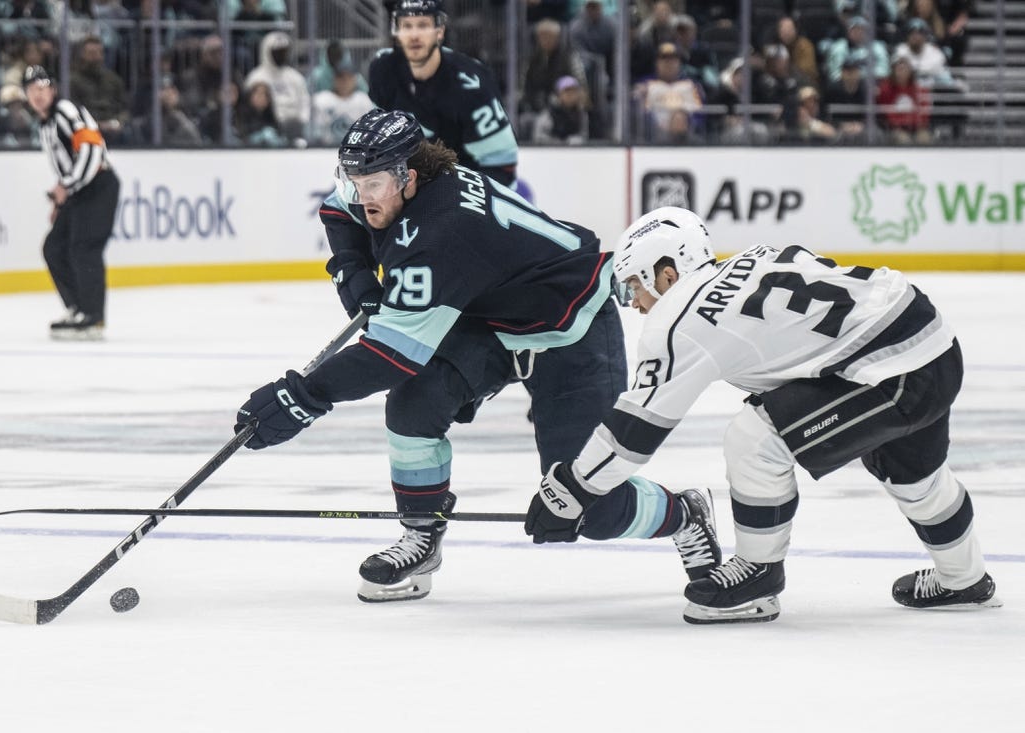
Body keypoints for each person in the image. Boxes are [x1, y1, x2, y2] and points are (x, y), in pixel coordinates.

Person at [235, 109, 721, 603]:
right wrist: (356, 276)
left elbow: (390, 356)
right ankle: (422, 533)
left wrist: (305, 396)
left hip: (570, 326)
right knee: (414, 404)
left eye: (373, 184)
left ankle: (686, 513)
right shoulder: (397, 187)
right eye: (354, 181)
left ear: (409, 176)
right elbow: (339, 211)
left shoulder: (441, 230)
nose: (362, 196)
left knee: (590, 508)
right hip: (492, 321)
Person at [525, 205, 1000, 624]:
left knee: (756, 439)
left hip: (890, 371)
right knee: (916, 477)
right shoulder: (753, 258)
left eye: (634, 286)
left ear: (666, 274)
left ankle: (758, 576)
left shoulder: (679, 318)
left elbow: (634, 432)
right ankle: (964, 578)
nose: (636, 305)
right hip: (930, 341)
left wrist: (574, 489)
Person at [368, 0, 519, 186]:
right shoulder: (382, 70)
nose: (414, 35)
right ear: (396, 32)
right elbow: (381, 144)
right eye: (406, 26)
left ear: (439, 31)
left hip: (466, 183)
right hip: (411, 181)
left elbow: (502, 166)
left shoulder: (472, 85)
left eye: (423, 25)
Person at [23, 65, 120, 340]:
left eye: (42, 88)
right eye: (31, 90)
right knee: (54, 247)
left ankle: (93, 315)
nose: (37, 95)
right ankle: (78, 308)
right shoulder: (45, 124)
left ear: (53, 90)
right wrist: (60, 201)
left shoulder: (66, 111)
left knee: (84, 248)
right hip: (78, 191)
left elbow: (91, 148)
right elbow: (65, 165)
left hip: (97, 186)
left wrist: (66, 186)